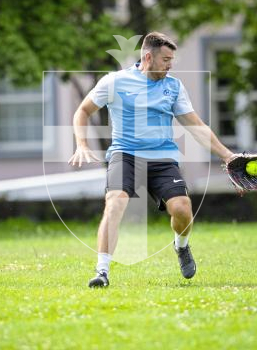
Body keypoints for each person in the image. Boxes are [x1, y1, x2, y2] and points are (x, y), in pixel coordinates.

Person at [69, 32, 234, 288]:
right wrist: (81, 144)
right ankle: (102, 272)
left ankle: (182, 246)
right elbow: (83, 110)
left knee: (182, 209)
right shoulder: (114, 81)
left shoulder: (174, 86)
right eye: (166, 59)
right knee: (114, 204)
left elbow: (196, 126)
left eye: (172, 59)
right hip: (125, 154)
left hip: (163, 158)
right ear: (148, 57)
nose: (170, 64)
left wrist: (228, 155)